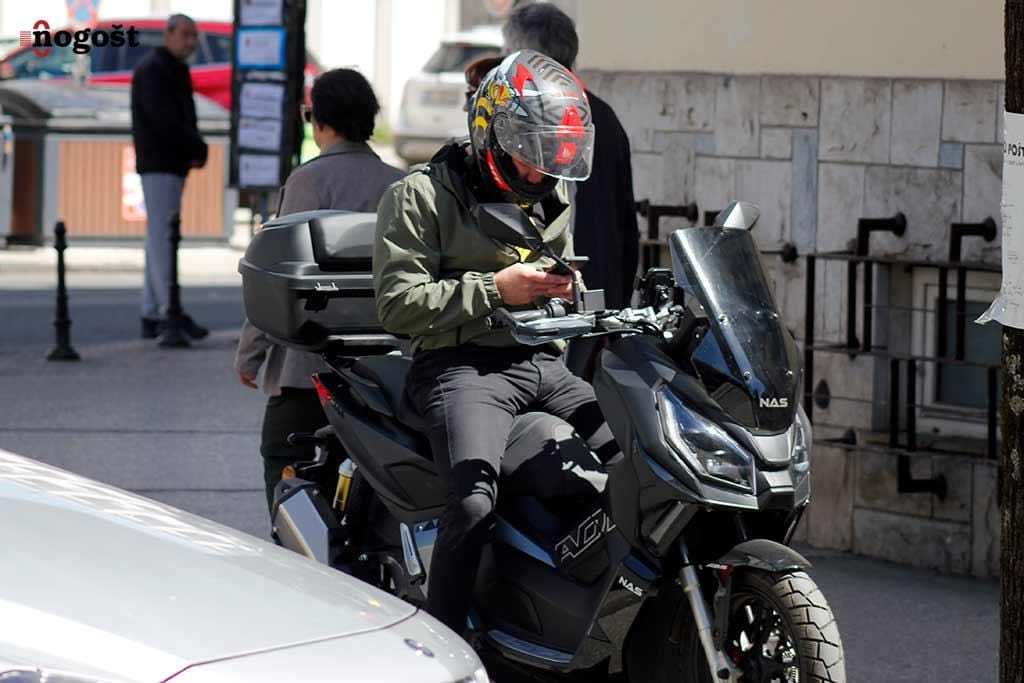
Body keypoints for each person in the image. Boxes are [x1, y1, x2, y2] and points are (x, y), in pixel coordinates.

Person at [374, 50, 619, 637]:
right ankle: (444, 643)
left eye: (550, 158)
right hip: (459, 367)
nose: (537, 173)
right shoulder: (418, 195)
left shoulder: (552, 196)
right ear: (490, 134)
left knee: (630, 462)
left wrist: (564, 292)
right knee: (473, 504)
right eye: (527, 154)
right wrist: (496, 289)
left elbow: (555, 282)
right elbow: (397, 305)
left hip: (541, 362)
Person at [235, 69, 405, 513]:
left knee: (283, 455)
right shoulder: (400, 183)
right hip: (382, 364)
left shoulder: (308, 181)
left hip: (308, 363)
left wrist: (250, 354)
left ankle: (298, 546)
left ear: (321, 121)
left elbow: (275, 276)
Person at [503, 3, 639, 310]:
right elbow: (626, 227)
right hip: (598, 289)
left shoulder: (526, 119)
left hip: (551, 294)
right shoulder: (602, 116)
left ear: (522, 57)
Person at [130, 14, 209, 340]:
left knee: (158, 238)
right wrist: (196, 145)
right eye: (185, 35)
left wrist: (194, 147)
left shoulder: (171, 68)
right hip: (160, 162)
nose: (190, 42)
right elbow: (165, 121)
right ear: (169, 34)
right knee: (164, 238)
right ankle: (169, 310)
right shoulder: (156, 70)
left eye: (194, 36)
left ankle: (152, 311)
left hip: (169, 162)